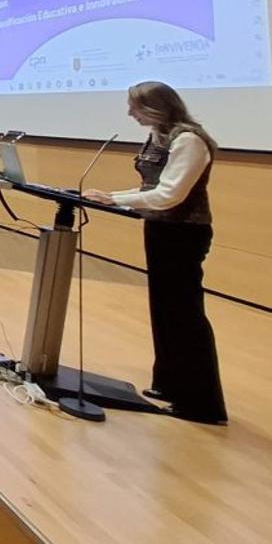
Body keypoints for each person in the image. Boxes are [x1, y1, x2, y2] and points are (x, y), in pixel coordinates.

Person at [84, 81, 228, 424]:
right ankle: (170, 383)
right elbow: (152, 189)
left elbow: (170, 195)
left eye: (135, 106)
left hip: (184, 233)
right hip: (161, 229)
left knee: (184, 313)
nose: (129, 113)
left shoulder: (189, 140)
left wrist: (115, 198)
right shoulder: (159, 137)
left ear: (156, 107)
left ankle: (200, 402)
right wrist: (113, 195)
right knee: (163, 308)